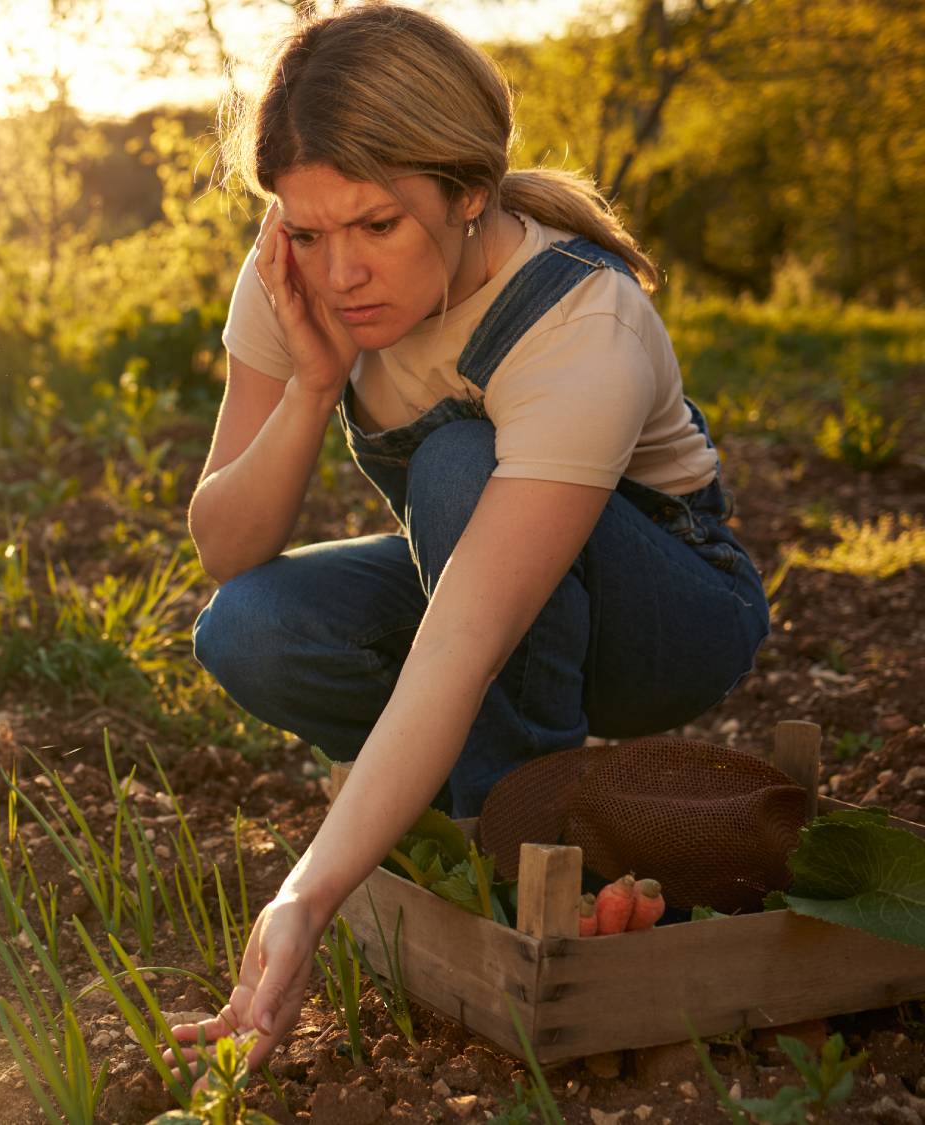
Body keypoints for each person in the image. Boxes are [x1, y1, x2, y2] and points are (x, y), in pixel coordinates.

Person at [165, 0, 771, 1079]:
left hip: (672, 616)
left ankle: (529, 866)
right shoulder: (297, 273)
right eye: (306, 230)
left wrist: (308, 890)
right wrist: (310, 387)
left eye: (375, 227)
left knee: (455, 460)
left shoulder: (576, 322)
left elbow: (457, 644)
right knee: (247, 628)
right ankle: (463, 802)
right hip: (483, 583)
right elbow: (223, 541)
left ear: (467, 193)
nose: (338, 271)